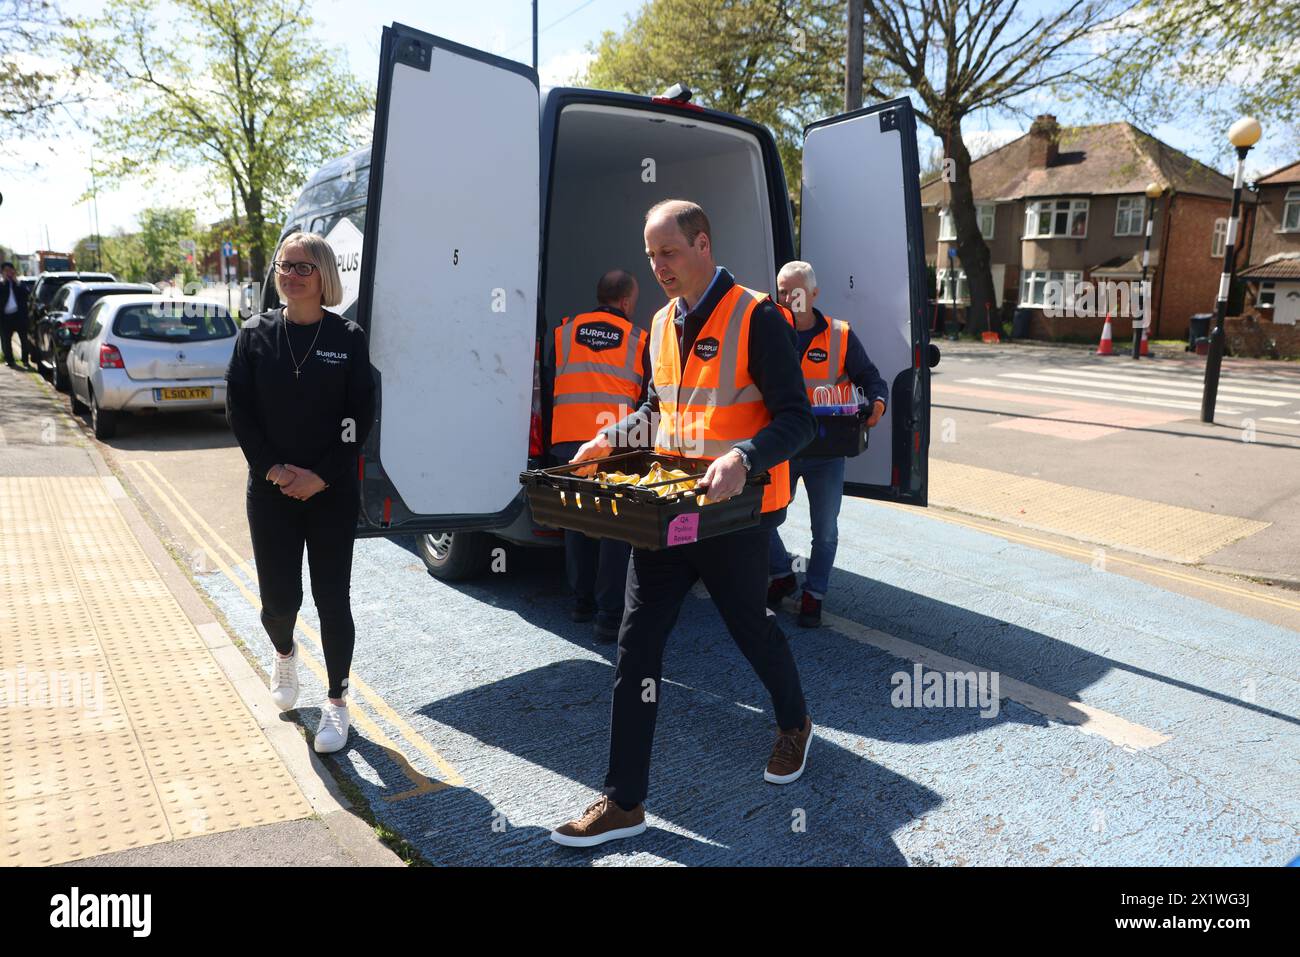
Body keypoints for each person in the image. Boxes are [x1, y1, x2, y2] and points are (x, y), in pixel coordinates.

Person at [550, 199, 816, 848]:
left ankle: (795, 722)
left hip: (732, 516)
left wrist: (744, 456)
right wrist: (609, 438)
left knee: (751, 629)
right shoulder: (661, 322)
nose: (658, 266)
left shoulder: (756, 315)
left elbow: (798, 419)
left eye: (668, 251)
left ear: (703, 243)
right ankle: (624, 800)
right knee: (636, 646)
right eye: (650, 255)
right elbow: (654, 409)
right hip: (668, 514)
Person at [224, 233, 375, 754]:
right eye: (283, 266)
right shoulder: (254, 334)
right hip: (270, 492)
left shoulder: (349, 338)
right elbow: (238, 410)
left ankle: (336, 702)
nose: (289, 275)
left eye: (302, 267)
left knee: (333, 599)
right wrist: (272, 470)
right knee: (278, 600)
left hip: (329, 492)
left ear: (324, 275)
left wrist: (322, 476)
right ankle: (285, 653)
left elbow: (360, 418)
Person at [767, 261, 889, 627]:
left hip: (826, 451)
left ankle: (813, 594)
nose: (787, 298)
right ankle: (782, 574)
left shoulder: (840, 334)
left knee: (825, 531)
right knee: (758, 518)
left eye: (795, 291)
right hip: (782, 449)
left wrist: (878, 404)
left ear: (814, 293)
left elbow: (870, 377)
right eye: (782, 291)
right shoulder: (769, 330)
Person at [548, 269, 649, 642]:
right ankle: (608, 617)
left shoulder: (564, 331)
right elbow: (646, 402)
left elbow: (549, 382)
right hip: (612, 446)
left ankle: (581, 602)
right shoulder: (639, 339)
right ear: (625, 301)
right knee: (614, 529)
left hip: (567, 442)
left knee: (576, 523)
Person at [1, 262, 32, 370]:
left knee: (24, 339)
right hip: (6, 317)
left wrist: (16, 281)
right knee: (6, 340)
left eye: (10, 270)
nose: (9, 273)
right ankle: (10, 360)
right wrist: (4, 282)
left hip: (19, 316)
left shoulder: (19, 283)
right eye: (6, 271)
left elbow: (27, 293)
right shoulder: (1, 285)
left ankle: (25, 361)